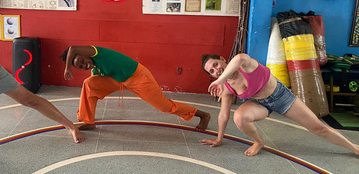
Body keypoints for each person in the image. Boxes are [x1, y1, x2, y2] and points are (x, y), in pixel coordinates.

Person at [200, 53, 359, 157]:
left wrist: (220, 80)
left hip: (282, 97)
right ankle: (259, 141)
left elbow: (240, 58)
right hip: (260, 104)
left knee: (318, 127)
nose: (216, 70)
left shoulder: (244, 64)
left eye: (215, 64)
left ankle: (354, 148)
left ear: (222, 59)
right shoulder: (227, 87)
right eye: (212, 72)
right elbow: (223, 115)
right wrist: (219, 139)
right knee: (239, 117)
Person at [61, 46, 211, 131]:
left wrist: (68, 68)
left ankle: (202, 115)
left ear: (84, 54)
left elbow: (73, 48)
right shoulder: (95, 67)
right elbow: (97, 78)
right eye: (80, 66)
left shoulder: (96, 52)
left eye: (82, 60)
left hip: (138, 77)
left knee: (164, 106)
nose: (84, 64)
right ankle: (88, 121)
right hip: (117, 79)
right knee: (89, 84)